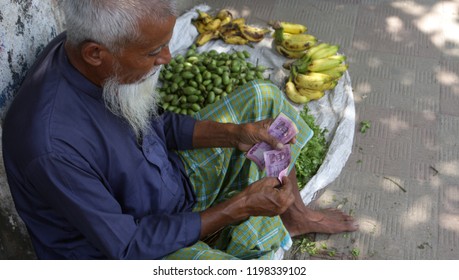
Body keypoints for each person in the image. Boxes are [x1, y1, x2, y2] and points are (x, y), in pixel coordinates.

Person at [2, 0, 358, 260]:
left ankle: (295, 218)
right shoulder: (51, 146)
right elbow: (128, 247)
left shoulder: (93, 59)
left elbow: (158, 125)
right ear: (96, 53)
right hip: (128, 250)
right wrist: (239, 206)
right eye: (153, 51)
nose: (167, 58)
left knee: (264, 97)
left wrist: (234, 134)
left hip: (167, 185)